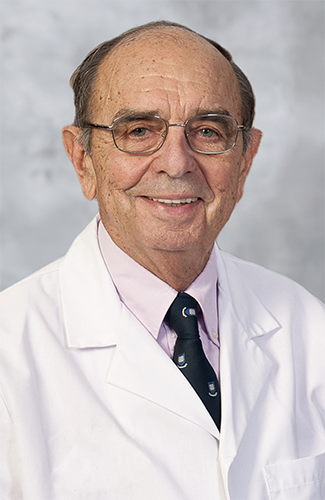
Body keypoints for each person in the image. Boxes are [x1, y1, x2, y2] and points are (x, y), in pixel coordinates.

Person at [0, 20, 325, 500]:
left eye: (209, 131)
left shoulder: (307, 328)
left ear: (245, 161)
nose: (176, 162)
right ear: (82, 159)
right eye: (137, 131)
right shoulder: (10, 354)